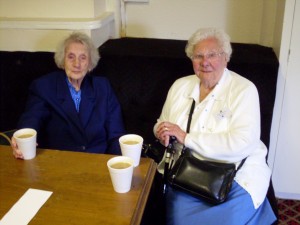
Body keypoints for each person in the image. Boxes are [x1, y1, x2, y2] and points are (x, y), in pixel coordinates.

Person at [154, 28, 276, 225]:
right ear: (191, 59)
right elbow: (161, 122)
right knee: (178, 221)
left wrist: (186, 138)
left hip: (235, 172)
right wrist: (162, 132)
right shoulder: (179, 86)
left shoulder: (244, 89)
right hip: (188, 172)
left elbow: (242, 143)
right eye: (198, 56)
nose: (205, 62)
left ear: (226, 57)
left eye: (212, 55)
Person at [12, 32, 125, 158]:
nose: (77, 64)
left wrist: (119, 164)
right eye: (71, 57)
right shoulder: (44, 87)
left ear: (90, 63)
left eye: (83, 58)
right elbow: (32, 119)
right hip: (61, 163)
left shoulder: (103, 87)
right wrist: (22, 138)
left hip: (98, 162)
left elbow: (116, 135)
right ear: (62, 59)